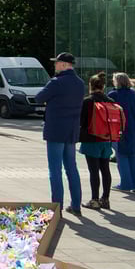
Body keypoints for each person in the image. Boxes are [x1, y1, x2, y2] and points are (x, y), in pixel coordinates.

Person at [35, 53, 85, 215]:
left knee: (55, 169)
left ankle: (57, 206)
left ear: (64, 65)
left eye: (57, 63)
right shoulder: (80, 83)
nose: (55, 66)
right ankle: (76, 205)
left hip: (56, 130)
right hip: (71, 130)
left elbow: (38, 98)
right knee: (72, 168)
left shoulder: (56, 82)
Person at [79, 73, 114, 209]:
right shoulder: (110, 100)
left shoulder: (87, 101)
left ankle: (94, 200)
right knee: (105, 169)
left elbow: (81, 121)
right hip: (106, 139)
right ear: (103, 86)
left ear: (90, 86)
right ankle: (105, 199)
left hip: (91, 139)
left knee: (94, 171)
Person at [108, 72, 135, 192]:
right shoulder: (132, 93)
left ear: (117, 81)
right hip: (132, 128)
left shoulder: (113, 94)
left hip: (119, 128)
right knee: (133, 155)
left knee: (121, 156)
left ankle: (125, 183)